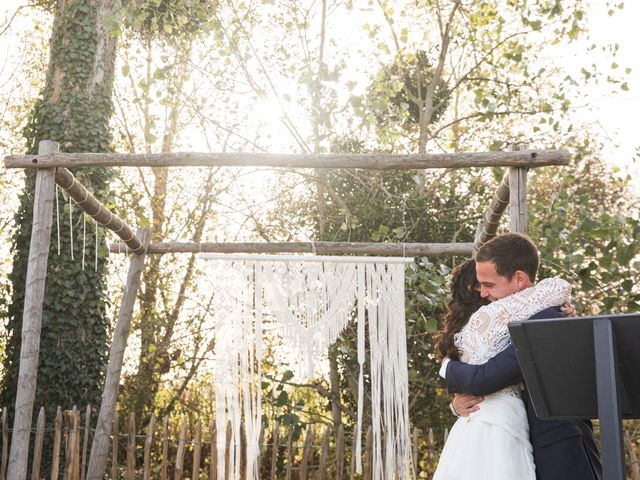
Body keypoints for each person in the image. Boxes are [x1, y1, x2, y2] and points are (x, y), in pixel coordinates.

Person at [440, 233, 602, 480]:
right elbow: (478, 363)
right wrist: (456, 404)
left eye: (490, 285)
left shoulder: (548, 317)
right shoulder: (500, 317)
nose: (483, 294)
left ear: (519, 278)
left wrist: (447, 367)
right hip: (510, 440)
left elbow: (486, 378)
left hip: (557, 450)